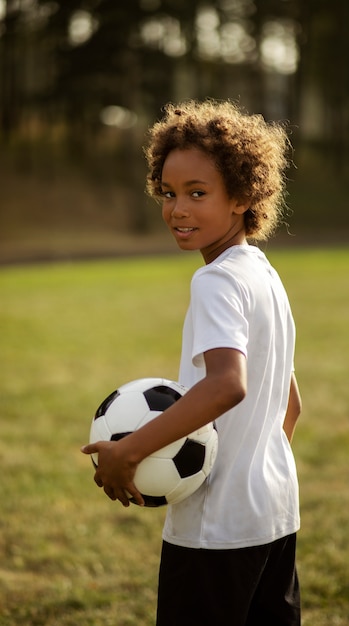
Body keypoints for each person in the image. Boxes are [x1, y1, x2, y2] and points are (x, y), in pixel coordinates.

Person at [82, 99, 302, 626]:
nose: (178, 209)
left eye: (197, 194)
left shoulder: (216, 280)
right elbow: (290, 403)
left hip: (216, 532)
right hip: (274, 513)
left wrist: (129, 450)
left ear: (244, 196)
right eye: (168, 193)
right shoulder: (263, 273)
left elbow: (227, 386)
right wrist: (251, 469)